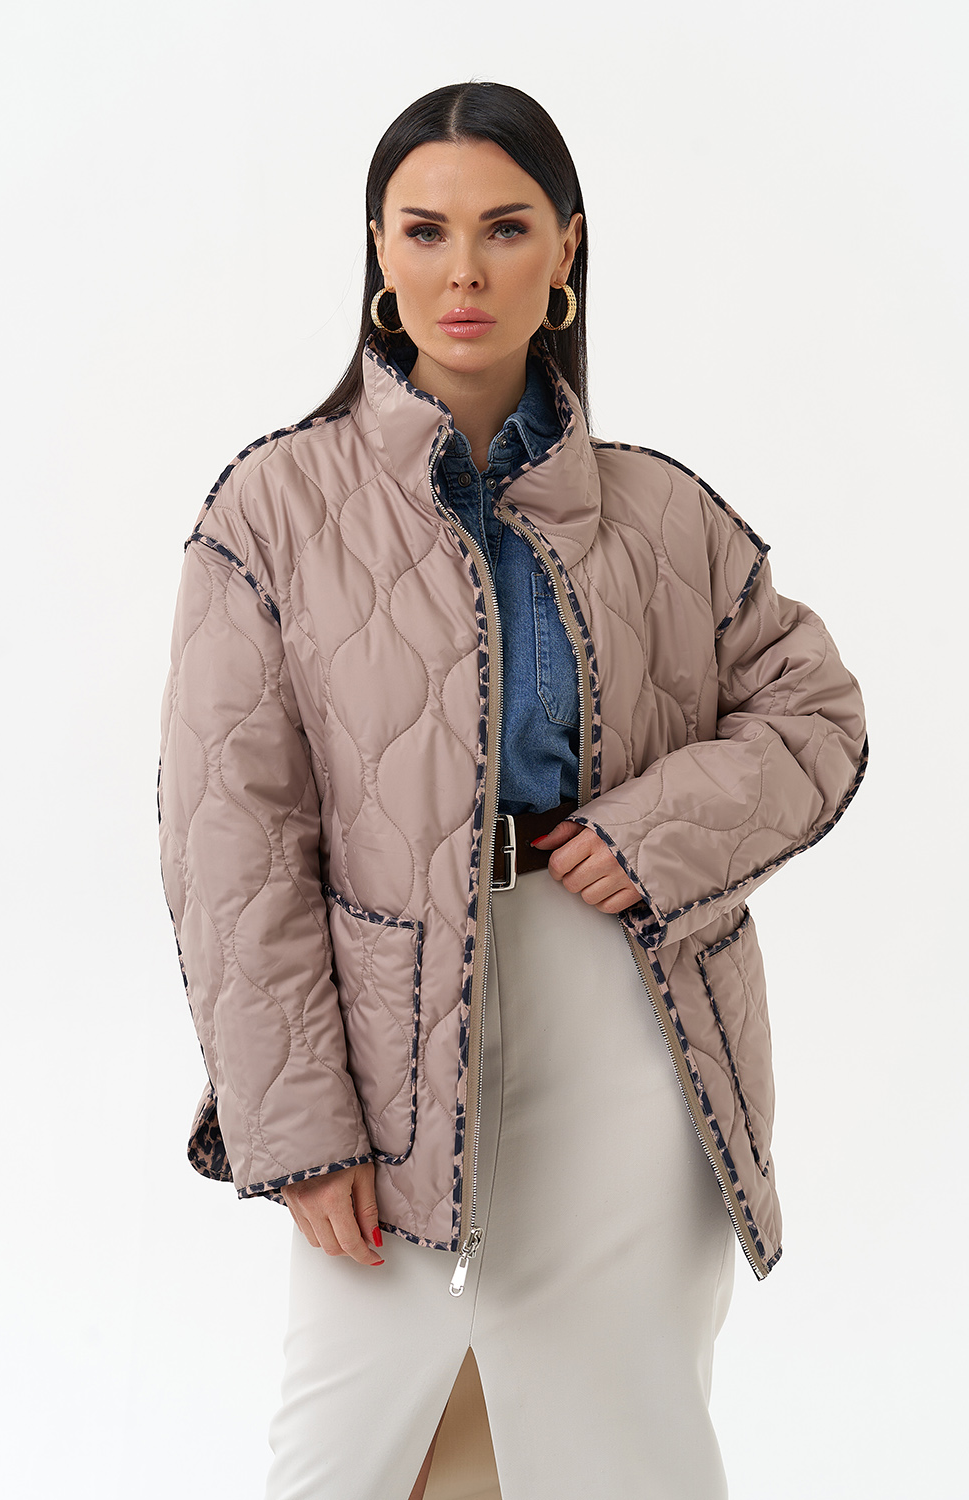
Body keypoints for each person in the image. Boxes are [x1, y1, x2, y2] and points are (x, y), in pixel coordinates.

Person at [157, 80, 868, 1500]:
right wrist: (300, 1131)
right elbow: (232, 848)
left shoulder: (665, 515)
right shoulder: (270, 515)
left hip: (629, 1025)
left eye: (505, 227)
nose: (464, 271)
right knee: (351, 1454)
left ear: (566, 250)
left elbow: (816, 714)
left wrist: (651, 832)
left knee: (623, 1443)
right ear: (379, 250)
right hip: (384, 1045)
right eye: (425, 230)